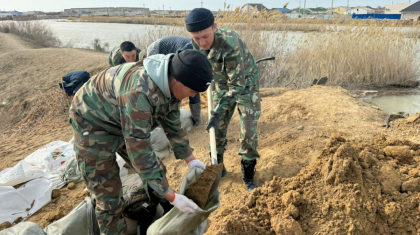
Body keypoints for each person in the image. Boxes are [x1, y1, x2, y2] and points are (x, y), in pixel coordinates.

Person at [70, 49, 212, 234]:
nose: (192, 96)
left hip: (120, 117)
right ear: (177, 80)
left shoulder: (170, 80)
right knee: (109, 196)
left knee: (157, 170)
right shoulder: (140, 92)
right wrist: (172, 195)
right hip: (92, 122)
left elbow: (173, 124)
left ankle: (159, 208)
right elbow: (139, 151)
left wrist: (190, 158)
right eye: (192, 91)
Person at [185, 8, 261, 192]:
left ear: (214, 27)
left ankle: (248, 176)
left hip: (245, 85)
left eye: (205, 36)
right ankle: (218, 168)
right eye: (196, 38)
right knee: (216, 129)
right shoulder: (195, 44)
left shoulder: (229, 43)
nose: (202, 42)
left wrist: (218, 111)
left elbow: (237, 86)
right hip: (221, 85)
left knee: (248, 131)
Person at [147, 36, 203, 126]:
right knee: (165, 86)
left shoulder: (199, 56)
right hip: (157, 49)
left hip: (172, 48)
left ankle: (190, 117)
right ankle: (160, 116)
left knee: (192, 87)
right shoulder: (187, 55)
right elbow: (176, 77)